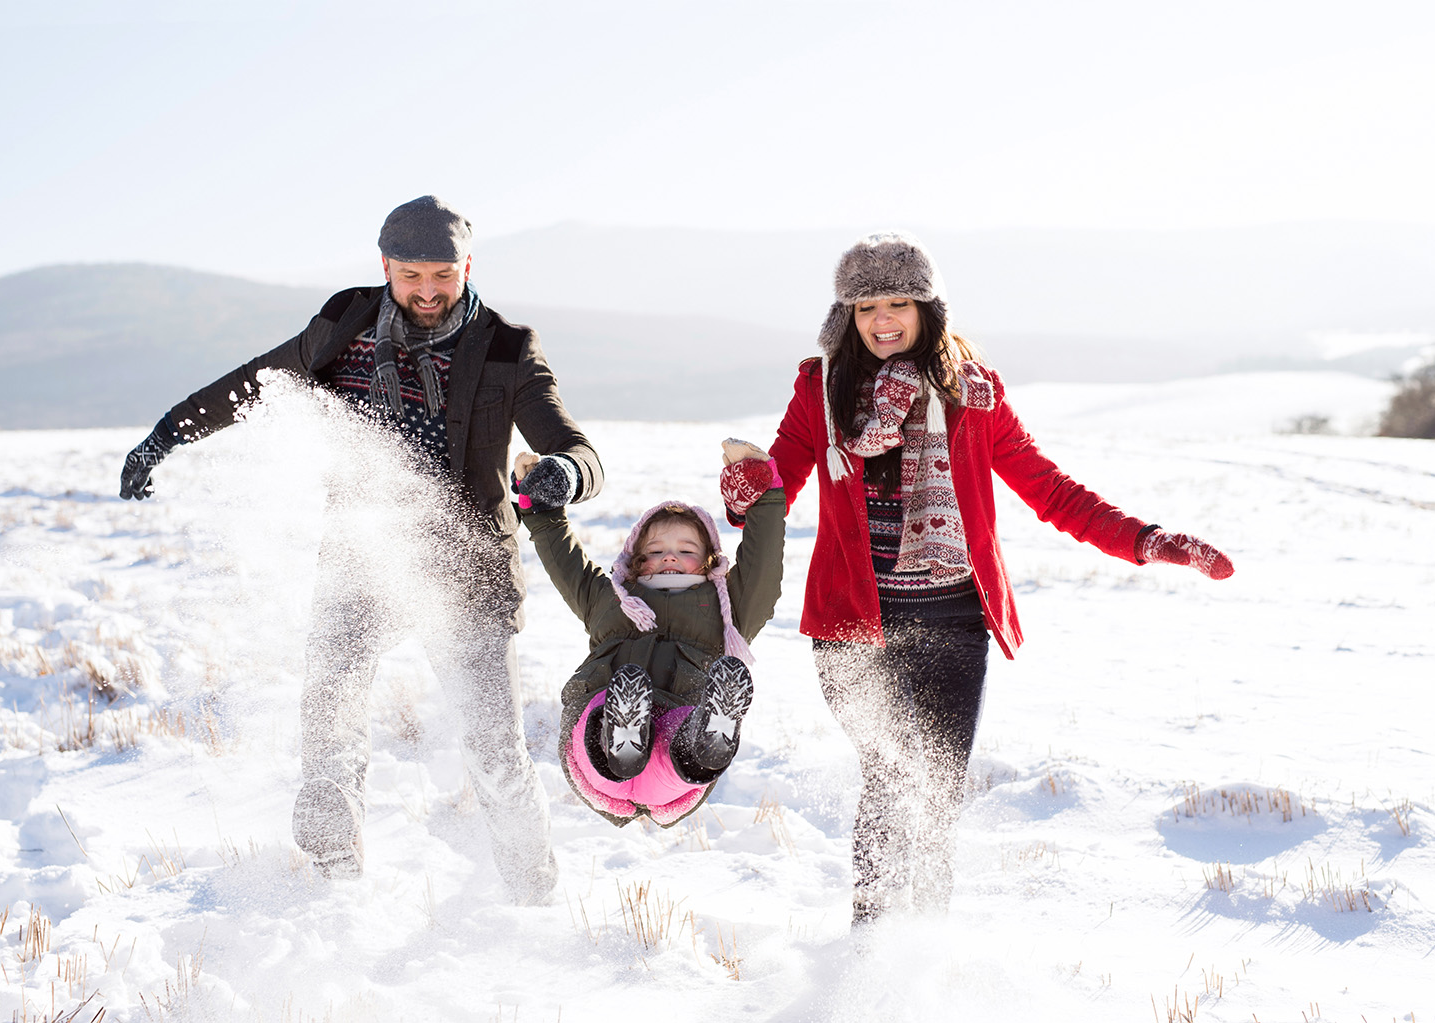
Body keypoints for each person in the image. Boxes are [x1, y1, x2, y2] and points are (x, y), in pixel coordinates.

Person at [116, 196, 603, 900]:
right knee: (327, 728)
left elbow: (574, 446)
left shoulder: (505, 347)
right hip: (361, 559)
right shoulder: (346, 322)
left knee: (495, 751)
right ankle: (332, 884)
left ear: (468, 265)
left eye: (443, 274)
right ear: (386, 268)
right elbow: (260, 382)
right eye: (412, 276)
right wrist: (168, 431)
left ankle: (532, 894)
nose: (429, 291)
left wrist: (566, 472)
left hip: (463, 571)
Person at [748, 231, 1234, 929]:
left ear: (927, 306)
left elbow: (1049, 490)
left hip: (952, 623)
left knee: (937, 793)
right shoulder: (822, 393)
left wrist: (1146, 540)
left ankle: (926, 949)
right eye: (864, 307)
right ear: (845, 318)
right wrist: (739, 498)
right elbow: (774, 483)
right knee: (889, 780)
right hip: (854, 627)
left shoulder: (974, 394)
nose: (881, 318)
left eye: (897, 301)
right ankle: (869, 948)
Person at [513, 440, 784, 827]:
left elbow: (762, 571)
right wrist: (540, 508)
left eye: (686, 550)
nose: (670, 556)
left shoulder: (729, 610)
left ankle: (707, 740)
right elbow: (564, 559)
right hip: (596, 753)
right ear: (636, 559)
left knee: (679, 734)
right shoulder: (609, 598)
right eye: (656, 550)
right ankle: (622, 734)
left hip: (674, 770)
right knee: (602, 712)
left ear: (710, 562)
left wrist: (764, 496)